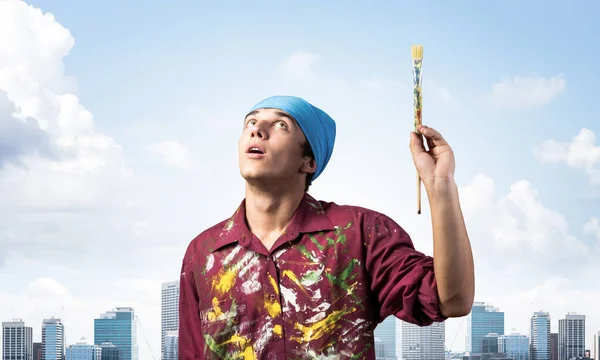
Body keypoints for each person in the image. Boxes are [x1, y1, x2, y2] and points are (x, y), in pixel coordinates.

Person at [178, 95, 474, 359]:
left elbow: (452, 300)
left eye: (280, 125)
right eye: (250, 123)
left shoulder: (360, 234)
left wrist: (441, 187)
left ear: (309, 161)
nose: (257, 130)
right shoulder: (203, 253)